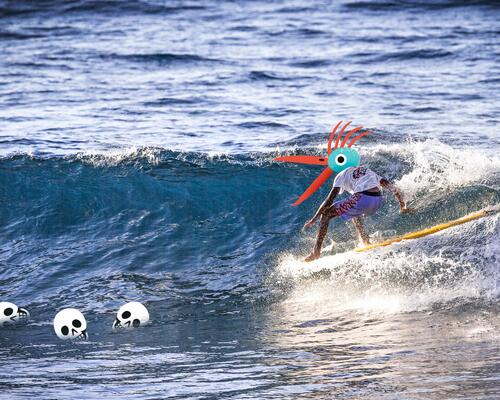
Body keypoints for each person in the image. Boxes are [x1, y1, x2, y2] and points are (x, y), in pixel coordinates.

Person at [303, 165, 410, 262]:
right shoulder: (366, 170)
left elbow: (330, 199)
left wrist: (314, 218)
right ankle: (365, 241)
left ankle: (315, 252)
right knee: (353, 211)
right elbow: (391, 186)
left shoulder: (341, 175)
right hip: (377, 200)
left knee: (326, 214)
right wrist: (402, 206)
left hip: (363, 198)